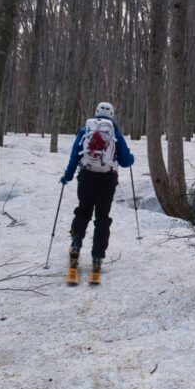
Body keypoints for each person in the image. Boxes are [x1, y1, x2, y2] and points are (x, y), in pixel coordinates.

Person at [60, 102, 134, 273]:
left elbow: (74, 155)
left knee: (83, 211)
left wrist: (68, 176)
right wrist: (131, 157)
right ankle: (97, 256)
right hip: (107, 179)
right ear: (112, 115)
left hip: (86, 176)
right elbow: (124, 161)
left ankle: (76, 244)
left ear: (96, 112)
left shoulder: (85, 130)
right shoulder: (114, 132)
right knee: (102, 217)